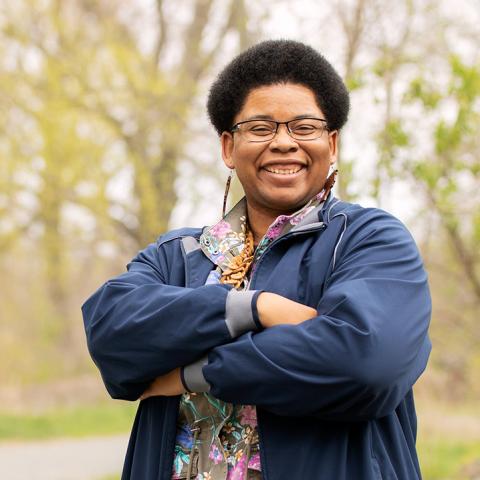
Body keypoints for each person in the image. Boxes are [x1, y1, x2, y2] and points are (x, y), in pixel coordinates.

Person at [82, 39, 432, 480]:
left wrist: (197, 372)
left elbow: (365, 364)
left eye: (304, 127)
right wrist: (252, 307)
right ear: (228, 147)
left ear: (333, 142)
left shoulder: (369, 242)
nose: (284, 142)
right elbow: (112, 333)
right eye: (261, 127)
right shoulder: (180, 255)